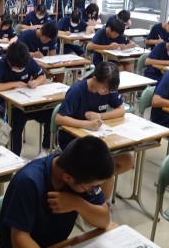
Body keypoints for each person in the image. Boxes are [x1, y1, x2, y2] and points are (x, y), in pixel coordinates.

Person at [55, 61, 134, 198]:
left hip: (96, 140)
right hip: (74, 140)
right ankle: (99, 200)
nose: (106, 92)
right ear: (95, 78)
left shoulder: (108, 88)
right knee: (105, 171)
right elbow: (59, 118)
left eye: (109, 90)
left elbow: (121, 110)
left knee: (127, 160)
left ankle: (93, 185)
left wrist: (99, 116)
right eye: (104, 88)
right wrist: (86, 124)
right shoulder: (77, 90)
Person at [0, 42, 51, 157]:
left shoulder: (28, 59)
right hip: (3, 102)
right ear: (9, 61)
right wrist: (15, 84)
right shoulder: (1, 64)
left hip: (26, 101)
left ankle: (45, 149)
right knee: (17, 118)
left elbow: (42, 76)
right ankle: (15, 156)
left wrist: (36, 82)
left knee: (50, 113)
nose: (21, 69)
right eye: (19, 67)